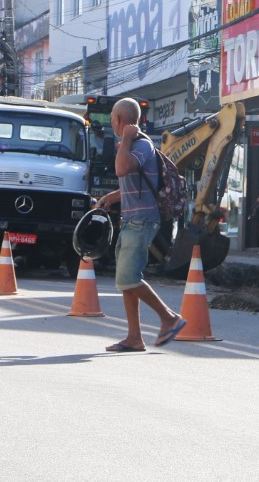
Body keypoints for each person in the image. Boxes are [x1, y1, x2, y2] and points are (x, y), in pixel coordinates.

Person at [94, 98, 185, 352]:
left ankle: (169, 318)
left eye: (113, 118)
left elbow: (122, 168)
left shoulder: (142, 145)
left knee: (129, 277)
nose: (112, 122)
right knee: (127, 281)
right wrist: (111, 198)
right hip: (131, 219)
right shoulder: (132, 144)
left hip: (142, 221)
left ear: (118, 120)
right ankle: (134, 337)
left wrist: (126, 140)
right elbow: (133, 184)